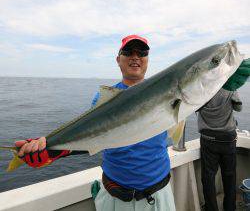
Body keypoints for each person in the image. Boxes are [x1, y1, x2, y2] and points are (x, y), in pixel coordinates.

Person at [15, 35, 176, 211]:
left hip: (160, 195)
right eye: (128, 52)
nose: (135, 57)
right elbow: (91, 136)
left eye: (142, 52)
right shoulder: (104, 99)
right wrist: (53, 150)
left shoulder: (169, 92)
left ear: (147, 59)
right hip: (116, 198)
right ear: (118, 60)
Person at [197, 88, 242, 211]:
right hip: (227, 139)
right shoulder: (230, 87)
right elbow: (239, 108)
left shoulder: (202, 90)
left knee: (208, 178)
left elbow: (195, 107)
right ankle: (229, 208)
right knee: (230, 176)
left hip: (208, 138)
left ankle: (211, 208)